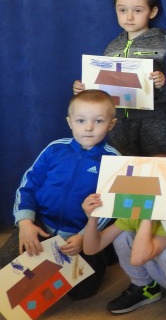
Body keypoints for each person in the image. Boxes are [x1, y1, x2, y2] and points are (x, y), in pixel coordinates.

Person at [2, 90, 120, 298]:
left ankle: (103, 256)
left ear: (111, 124)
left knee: (83, 292)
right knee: (5, 267)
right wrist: (25, 223)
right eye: (81, 120)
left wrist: (83, 236)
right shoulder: (54, 149)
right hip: (40, 225)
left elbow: (110, 208)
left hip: (80, 234)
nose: (89, 127)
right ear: (70, 122)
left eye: (99, 121)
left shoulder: (114, 160)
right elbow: (28, 186)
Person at [80, 173, 166, 320]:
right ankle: (145, 287)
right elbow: (91, 249)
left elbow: (138, 259)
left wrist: (147, 216)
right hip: (159, 269)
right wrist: (92, 218)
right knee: (122, 236)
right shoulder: (136, 210)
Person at [73, 0, 166, 156]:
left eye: (137, 10)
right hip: (117, 120)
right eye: (122, 10)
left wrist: (163, 83)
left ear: (152, 12)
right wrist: (85, 90)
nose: (129, 17)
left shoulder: (164, 43)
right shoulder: (112, 47)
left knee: (157, 164)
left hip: (153, 118)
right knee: (119, 164)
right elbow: (102, 87)